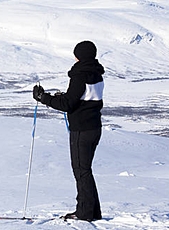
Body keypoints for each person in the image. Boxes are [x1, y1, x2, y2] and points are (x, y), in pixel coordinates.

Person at [32, 40, 104, 221]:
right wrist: (61, 97)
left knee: (81, 170)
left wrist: (43, 98)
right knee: (85, 170)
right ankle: (92, 211)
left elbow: (68, 104)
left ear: (78, 56)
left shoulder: (80, 76)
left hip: (81, 129)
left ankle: (85, 213)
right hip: (94, 127)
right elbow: (81, 99)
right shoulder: (97, 74)